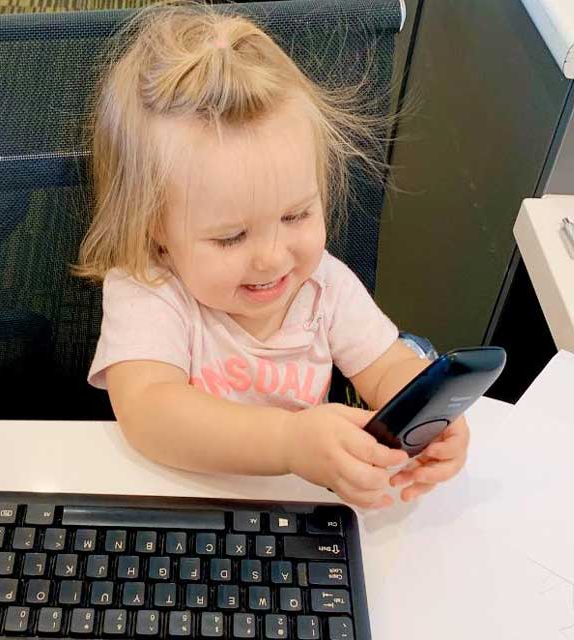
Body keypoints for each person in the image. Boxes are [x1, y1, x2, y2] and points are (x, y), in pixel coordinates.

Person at [76, 2, 469, 509]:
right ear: (156, 229)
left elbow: (385, 366)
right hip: (180, 506)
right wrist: (288, 442)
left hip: (296, 513)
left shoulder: (324, 286)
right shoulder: (148, 287)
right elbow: (150, 413)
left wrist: (428, 414)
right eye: (231, 237)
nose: (271, 258)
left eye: (296, 216)